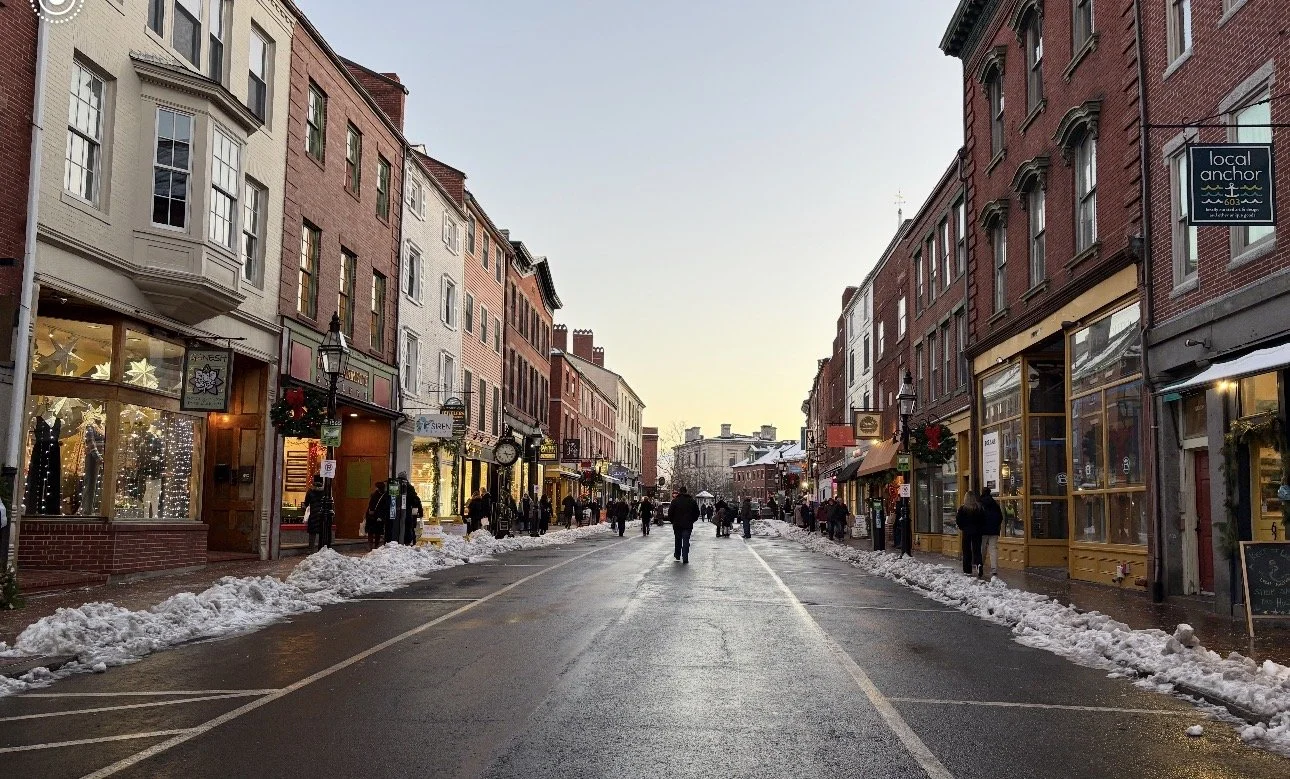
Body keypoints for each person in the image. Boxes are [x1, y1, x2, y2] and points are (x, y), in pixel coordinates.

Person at [957, 490, 985, 575]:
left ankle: (967, 569)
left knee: (966, 550)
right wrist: (980, 528)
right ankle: (979, 564)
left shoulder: (962, 508)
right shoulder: (979, 508)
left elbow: (958, 520)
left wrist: (962, 527)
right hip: (977, 532)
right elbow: (983, 520)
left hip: (967, 531)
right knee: (977, 550)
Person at [670, 486, 700, 563]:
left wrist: (673, 521)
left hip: (677, 524)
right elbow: (697, 513)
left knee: (678, 540)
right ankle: (685, 556)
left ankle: (677, 554)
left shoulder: (675, 501)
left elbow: (670, 513)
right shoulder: (692, 501)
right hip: (688, 524)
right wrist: (692, 520)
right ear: (686, 491)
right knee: (686, 540)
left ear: (680, 492)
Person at [979, 487, 1004, 578]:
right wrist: (996, 526)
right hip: (994, 530)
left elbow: (978, 516)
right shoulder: (995, 504)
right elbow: (1000, 517)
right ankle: (994, 568)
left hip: (982, 530)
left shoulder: (980, 503)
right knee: (993, 549)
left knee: (982, 548)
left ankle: (980, 565)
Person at [302, 477, 327, 550]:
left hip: (313, 514)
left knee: (312, 533)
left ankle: (311, 548)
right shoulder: (325, 491)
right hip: (322, 514)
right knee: (322, 532)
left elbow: (306, 503)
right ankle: (321, 548)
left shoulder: (310, 491)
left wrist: (304, 507)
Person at [364, 481, 386, 550]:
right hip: (375, 516)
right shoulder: (381, 495)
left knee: (373, 532)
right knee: (376, 532)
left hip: (372, 516)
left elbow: (371, 506)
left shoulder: (374, 495)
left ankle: (371, 546)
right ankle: (374, 546)